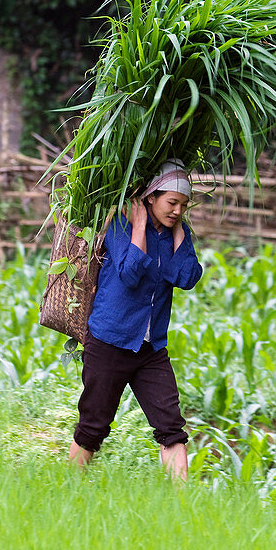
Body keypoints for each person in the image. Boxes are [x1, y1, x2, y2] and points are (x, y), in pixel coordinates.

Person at [67, 159, 203, 480]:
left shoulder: (176, 235)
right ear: (150, 197)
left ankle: (182, 506)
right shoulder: (119, 225)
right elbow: (129, 274)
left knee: (171, 427)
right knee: (93, 426)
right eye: (172, 203)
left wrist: (180, 232)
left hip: (150, 350)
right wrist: (139, 227)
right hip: (109, 342)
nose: (177, 211)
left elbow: (187, 276)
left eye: (183, 205)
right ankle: (69, 488)